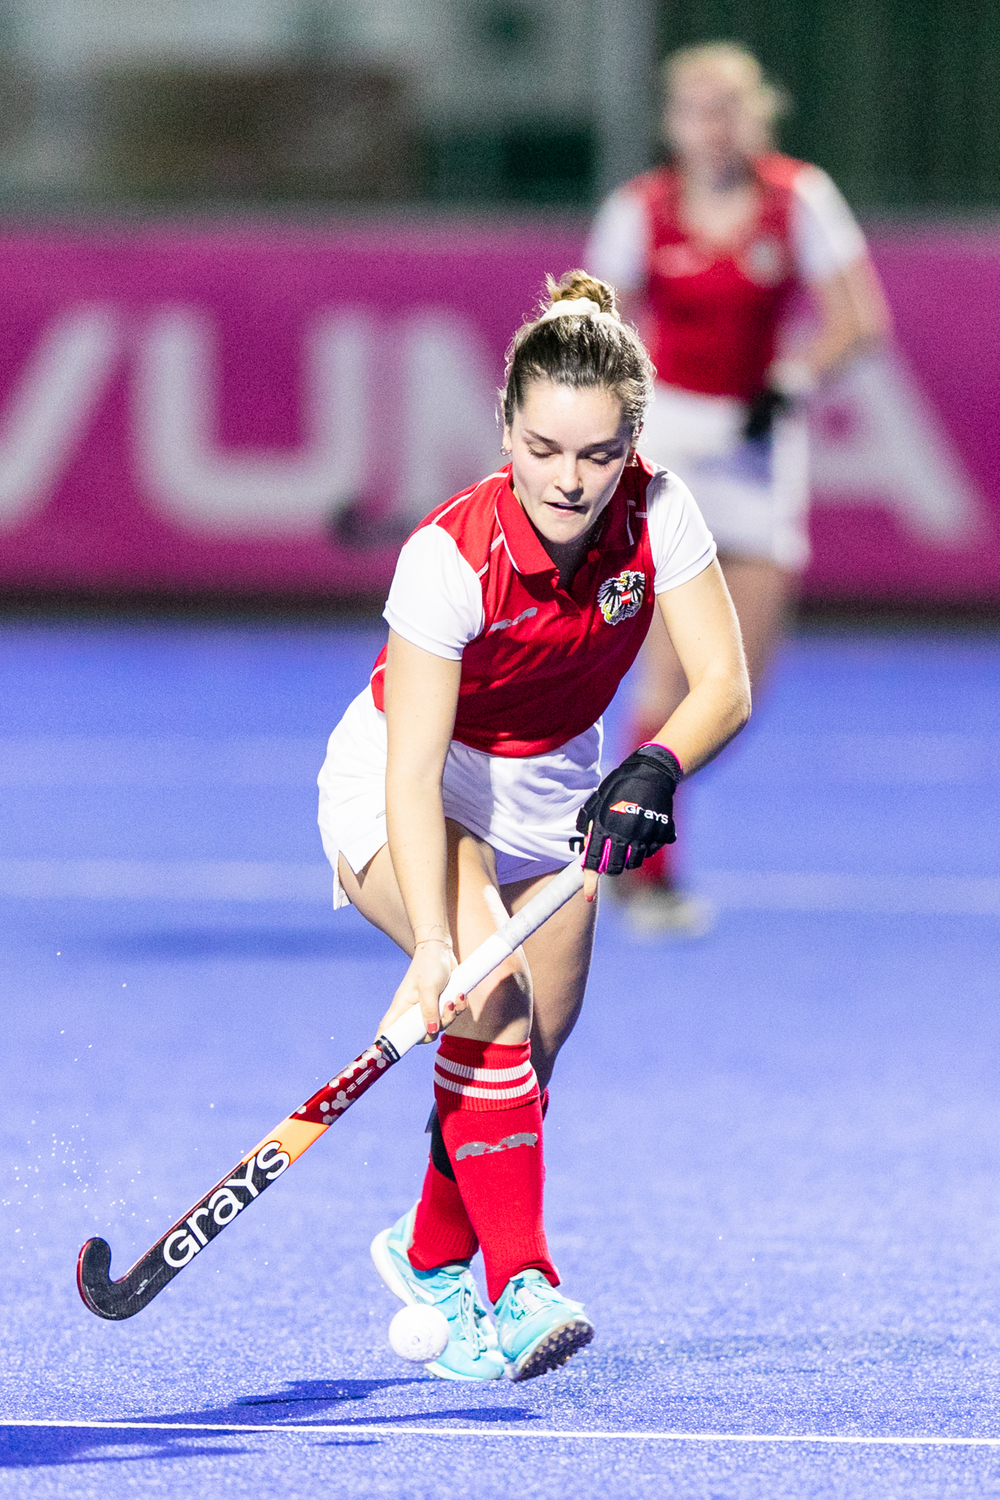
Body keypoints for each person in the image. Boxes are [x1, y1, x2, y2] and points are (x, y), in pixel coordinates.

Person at [317, 271, 750, 1382]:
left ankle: (428, 1255)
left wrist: (655, 765)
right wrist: (433, 944)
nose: (569, 479)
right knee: (492, 1004)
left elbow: (722, 685)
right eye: (545, 448)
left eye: (598, 455)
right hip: (409, 777)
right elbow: (414, 771)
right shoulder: (447, 556)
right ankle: (524, 1285)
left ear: (632, 445)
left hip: (556, 787)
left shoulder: (658, 513)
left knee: (524, 1057)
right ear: (506, 427)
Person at [585, 41, 890, 933]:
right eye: (696, 107)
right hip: (670, 440)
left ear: (757, 113)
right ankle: (641, 866)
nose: (713, 125)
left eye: (729, 106)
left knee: (736, 691)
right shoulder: (638, 209)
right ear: (672, 121)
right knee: (668, 674)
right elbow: (591, 327)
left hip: (758, 445)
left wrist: (790, 384)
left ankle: (623, 809)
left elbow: (859, 320)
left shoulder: (801, 197)